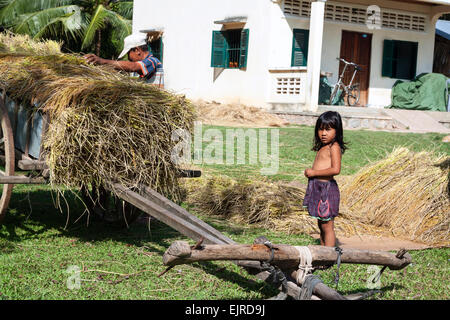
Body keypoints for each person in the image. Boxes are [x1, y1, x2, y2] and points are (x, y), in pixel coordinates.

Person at [302, 111, 347, 247]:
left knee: (327, 225)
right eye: (320, 129)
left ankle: (329, 255)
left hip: (326, 189)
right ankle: (323, 252)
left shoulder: (334, 147)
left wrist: (314, 172)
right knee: (321, 224)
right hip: (318, 188)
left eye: (328, 129)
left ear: (337, 131)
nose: (323, 133)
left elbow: (336, 170)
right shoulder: (324, 147)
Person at [83, 33, 164, 88]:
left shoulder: (153, 61)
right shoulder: (139, 69)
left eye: (128, 53)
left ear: (137, 50)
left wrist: (102, 61)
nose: (128, 58)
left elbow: (133, 67)